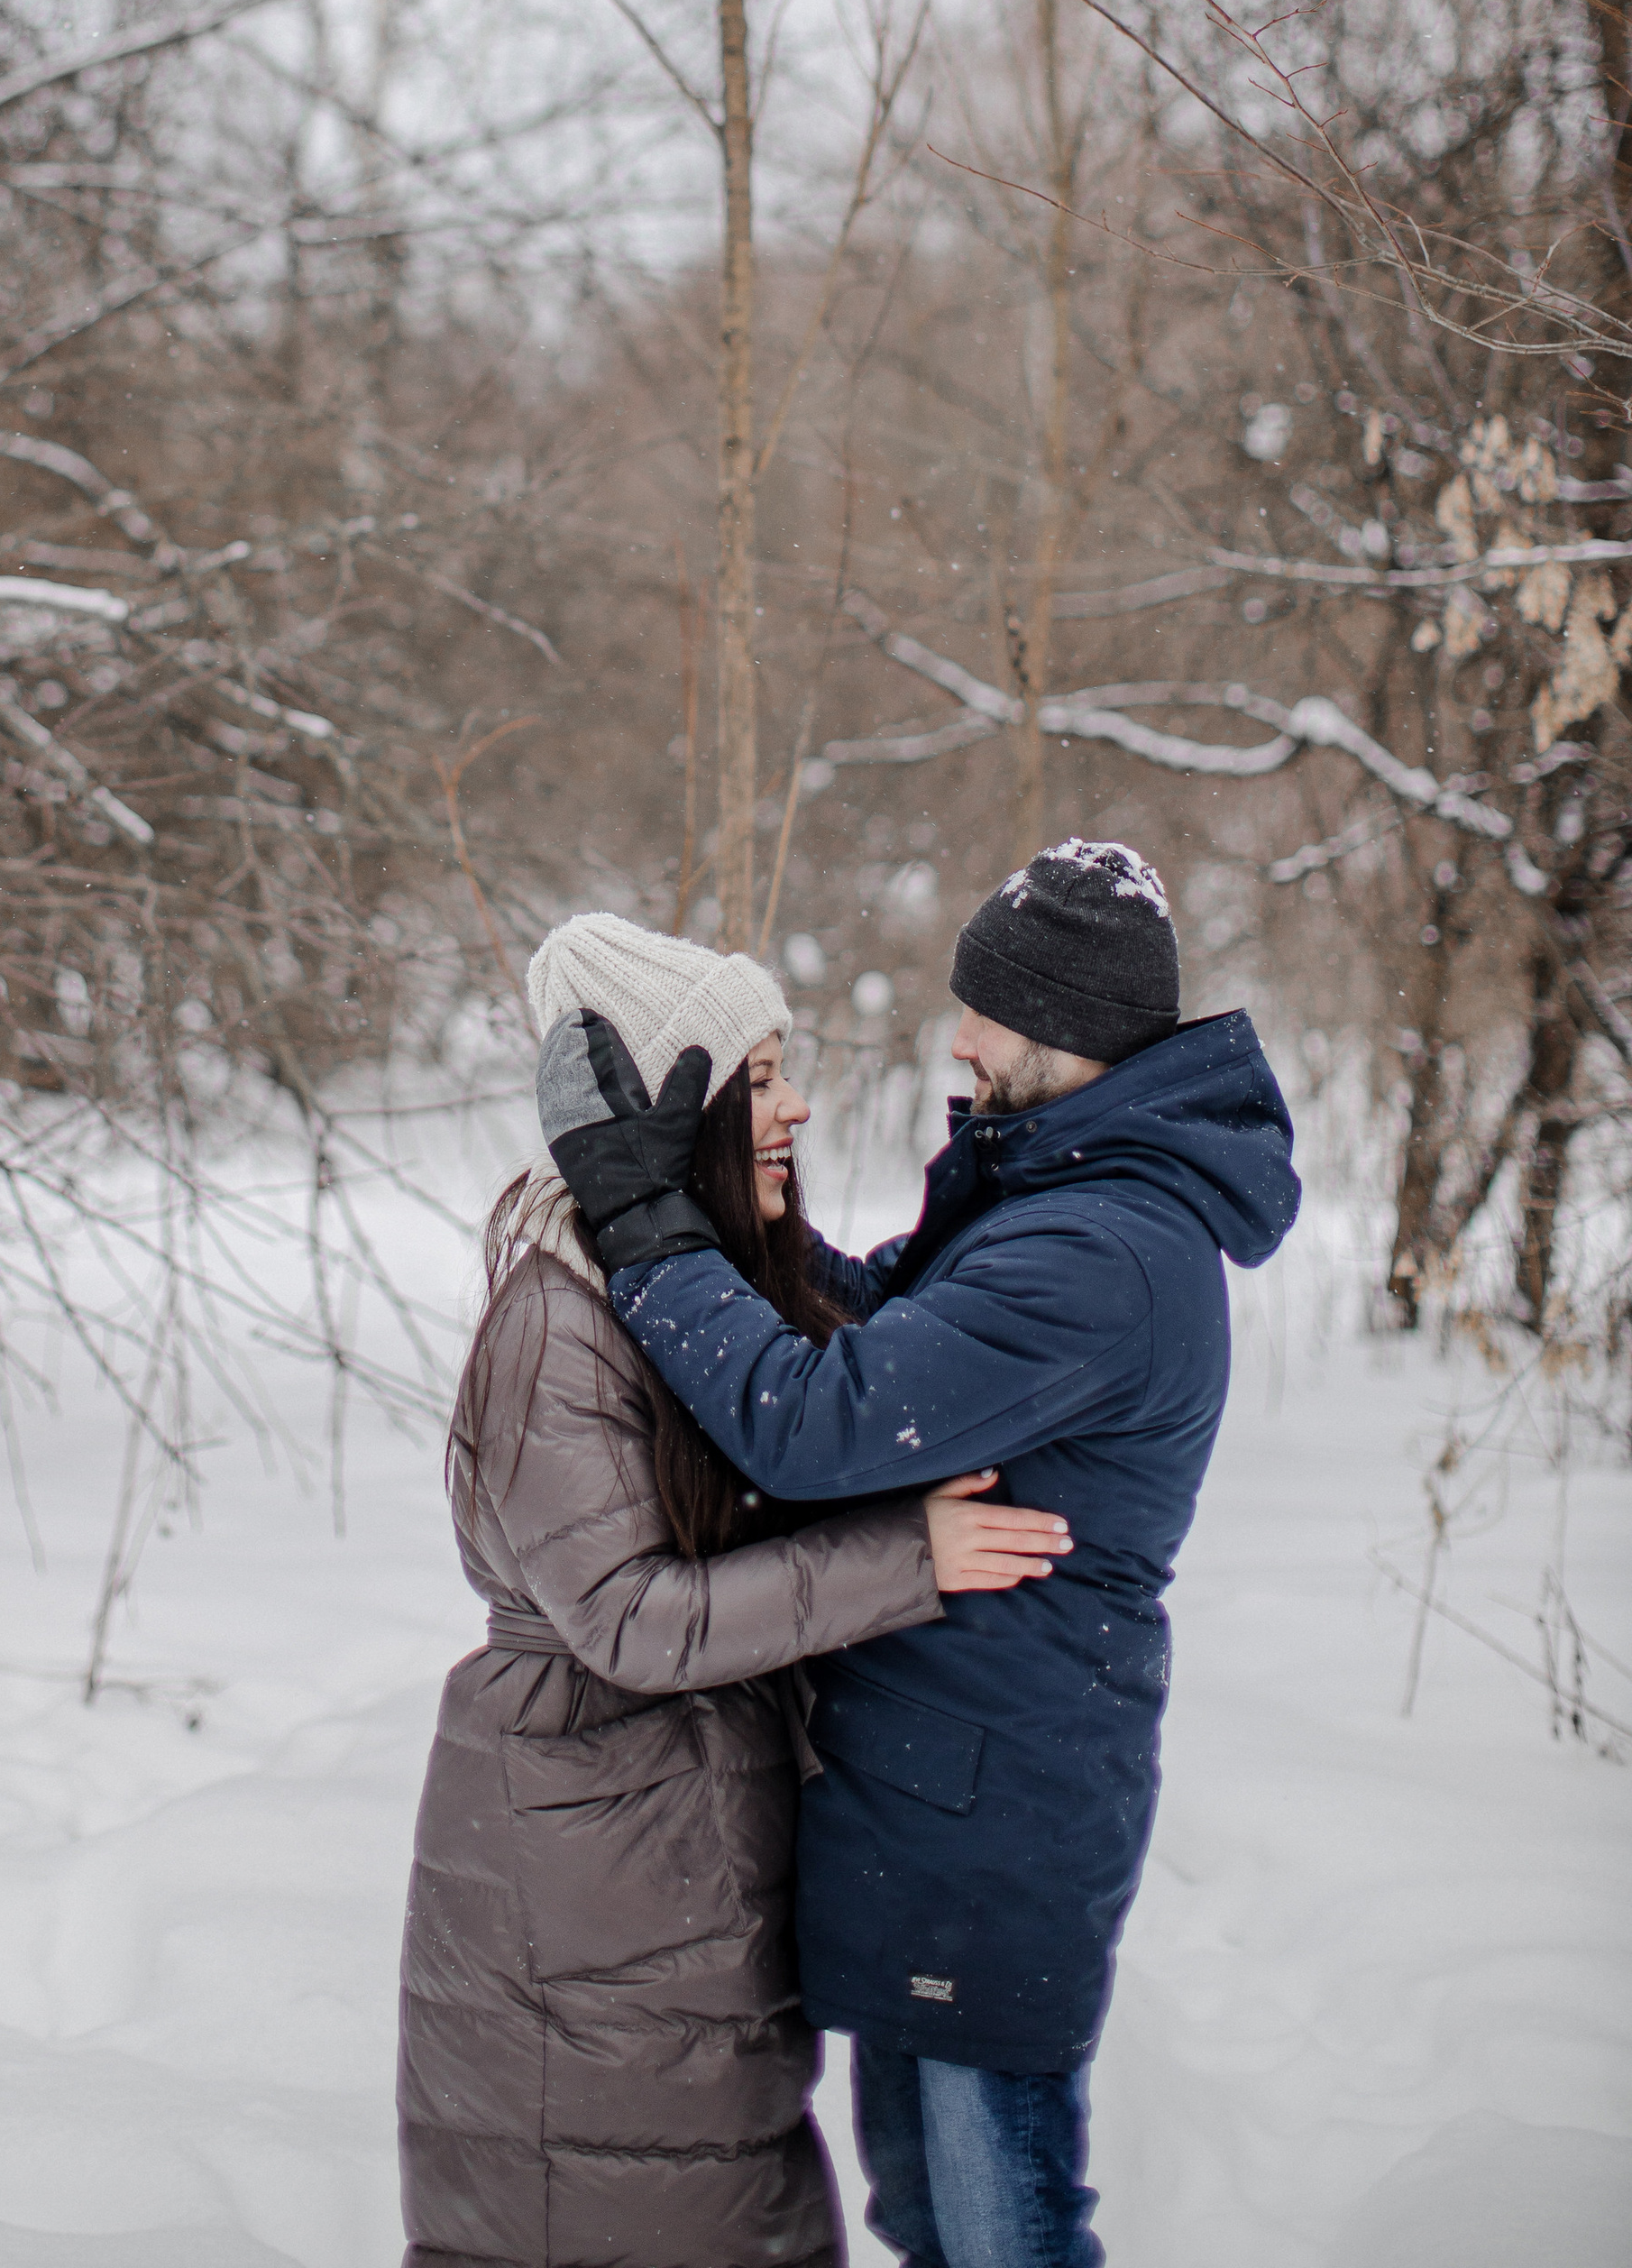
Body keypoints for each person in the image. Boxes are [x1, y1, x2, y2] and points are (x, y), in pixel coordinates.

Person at [546, 840, 1302, 2268]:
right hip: (938, 1800)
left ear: (1068, 1032)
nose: (959, 1039)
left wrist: (648, 1230)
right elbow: (880, 1320)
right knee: (928, 2220)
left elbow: (815, 1421)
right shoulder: (1057, 1189)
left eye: (989, 1013)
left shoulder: (1104, 1252)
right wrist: (720, 1200)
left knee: (1001, 2229)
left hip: (997, 1811)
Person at [398, 912, 1075, 2268]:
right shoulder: (558, 1319)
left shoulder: (685, 1300)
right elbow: (629, 1618)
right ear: (677, 1112)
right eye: (760, 1078)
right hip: (584, 1892)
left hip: (678, 1887)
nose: (799, 1107)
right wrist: (907, 1562)